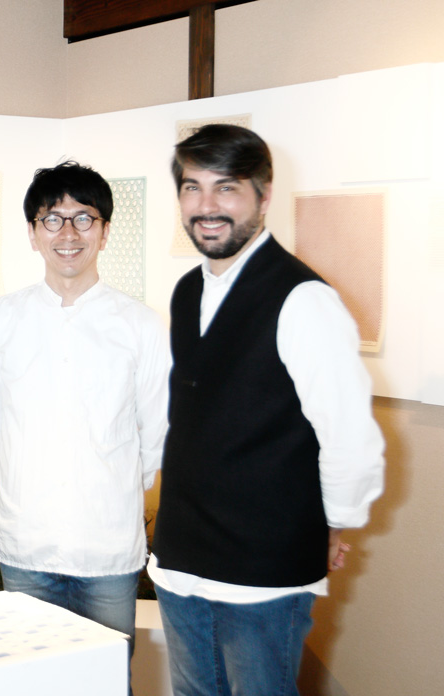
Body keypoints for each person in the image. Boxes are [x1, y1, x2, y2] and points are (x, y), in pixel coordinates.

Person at [149, 124, 385, 696]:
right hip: (182, 561)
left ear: (264, 195)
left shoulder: (305, 300)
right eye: (193, 187)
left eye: (226, 187)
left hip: (262, 572)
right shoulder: (186, 290)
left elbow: (349, 435)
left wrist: (334, 522)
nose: (207, 206)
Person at [0, 161, 170, 684]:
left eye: (84, 219)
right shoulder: (1, 319)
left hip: (107, 548)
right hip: (26, 544)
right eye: (52, 219)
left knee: (106, 683)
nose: (68, 234)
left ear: (104, 231)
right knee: (30, 684)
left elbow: (155, 430)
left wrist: (110, 484)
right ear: (33, 233)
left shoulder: (140, 325)